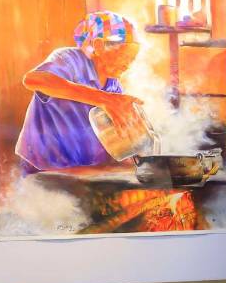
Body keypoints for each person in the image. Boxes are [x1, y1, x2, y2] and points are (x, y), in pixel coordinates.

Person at [14, 10, 147, 173]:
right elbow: (34, 80)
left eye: (132, 60)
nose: (128, 65)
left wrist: (131, 145)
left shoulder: (114, 86)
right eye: (124, 57)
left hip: (82, 170)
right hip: (43, 168)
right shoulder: (70, 59)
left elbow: (111, 133)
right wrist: (104, 99)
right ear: (99, 46)